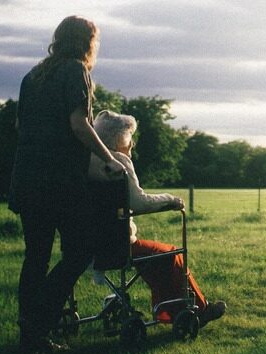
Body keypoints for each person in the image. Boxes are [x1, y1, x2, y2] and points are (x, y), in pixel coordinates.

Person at [8, 16, 126, 354]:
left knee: (36, 256)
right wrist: (108, 158)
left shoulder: (33, 75)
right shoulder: (76, 72)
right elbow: (79, 124)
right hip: (58, 181)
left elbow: (21, 125)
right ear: (87, 42)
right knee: (80, 251)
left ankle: (30, 334)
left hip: (27, 177)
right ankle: (39, 322)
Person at [89, 110, 226, 326]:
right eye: (129, 137)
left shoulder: (88, 161)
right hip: (118, 245)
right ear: (117, 138)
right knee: (171, 254)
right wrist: (171, 200)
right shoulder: (119, 162)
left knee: (155, 256)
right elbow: (139, 202)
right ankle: (198, 309)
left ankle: (170, 311)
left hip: (88, 244)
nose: (132, 144)